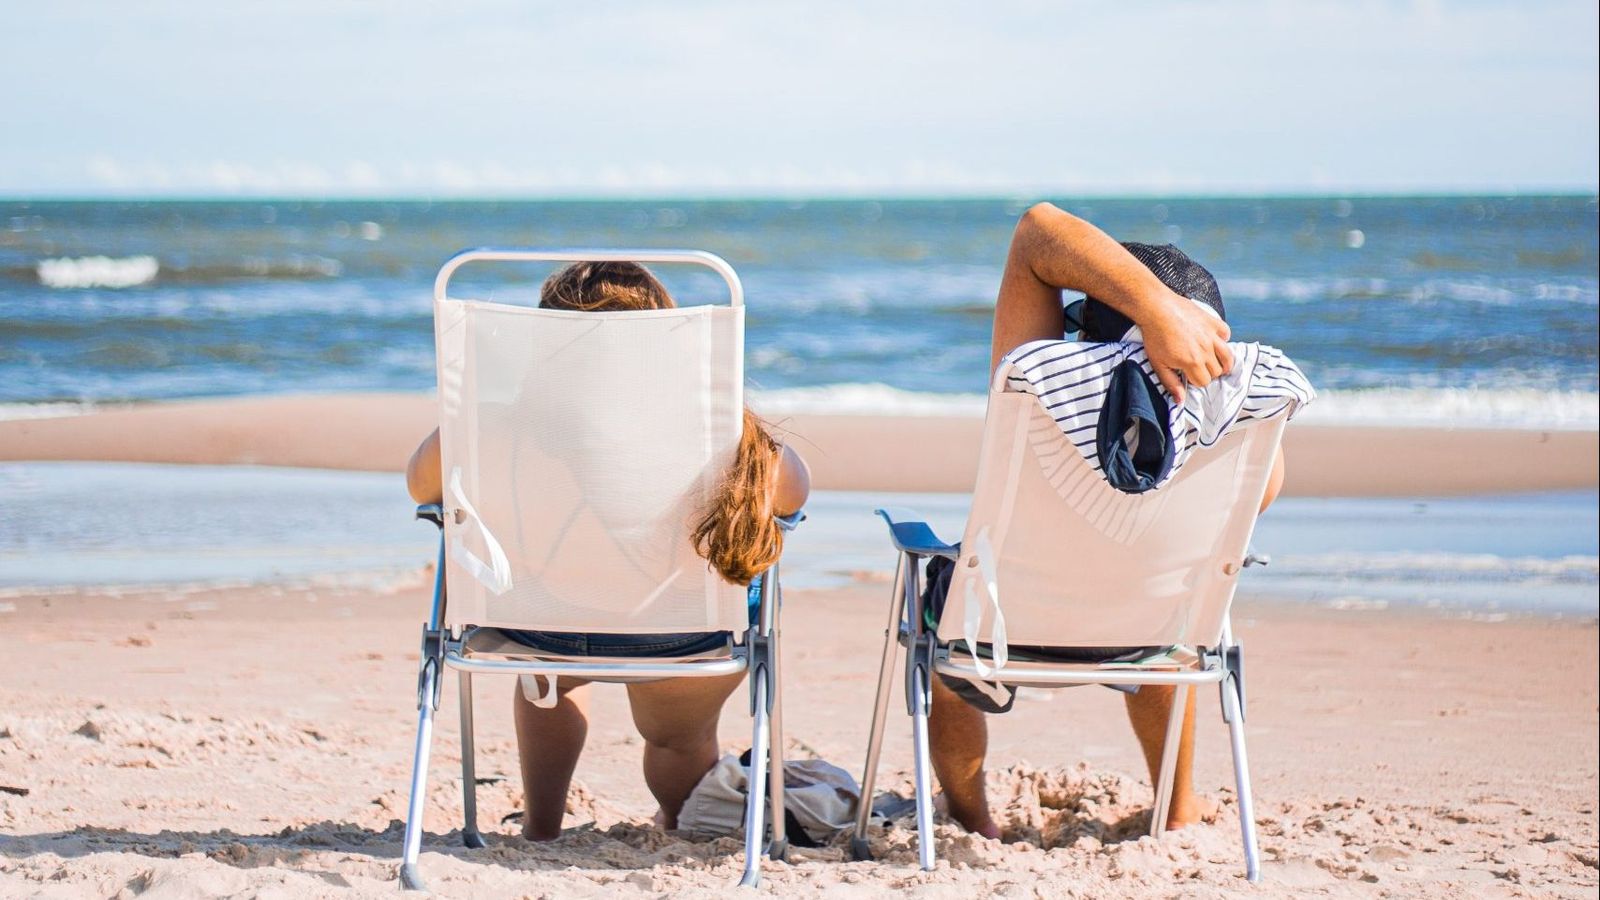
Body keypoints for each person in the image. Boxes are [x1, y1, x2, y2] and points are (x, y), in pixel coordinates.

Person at [404, 261, 811, 841]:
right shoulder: (718, 431)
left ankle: (541, 828)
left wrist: (466, 427)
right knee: (676, 738)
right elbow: (791, 494)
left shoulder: (494, 428)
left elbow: (422, 488)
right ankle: (674, 821)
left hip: (542, 627)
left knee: (546, 684)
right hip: (682, 637)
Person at [928, 203, 1291, 839]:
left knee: (944, 622)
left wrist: (1152, 311)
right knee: (1173, 587)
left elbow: (1038, 229)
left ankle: (972, 819)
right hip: (1149, 635)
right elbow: (1251, 499)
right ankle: (1177, 807)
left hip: (1006, 630)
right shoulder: (1240, 431)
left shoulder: (1035, 387)